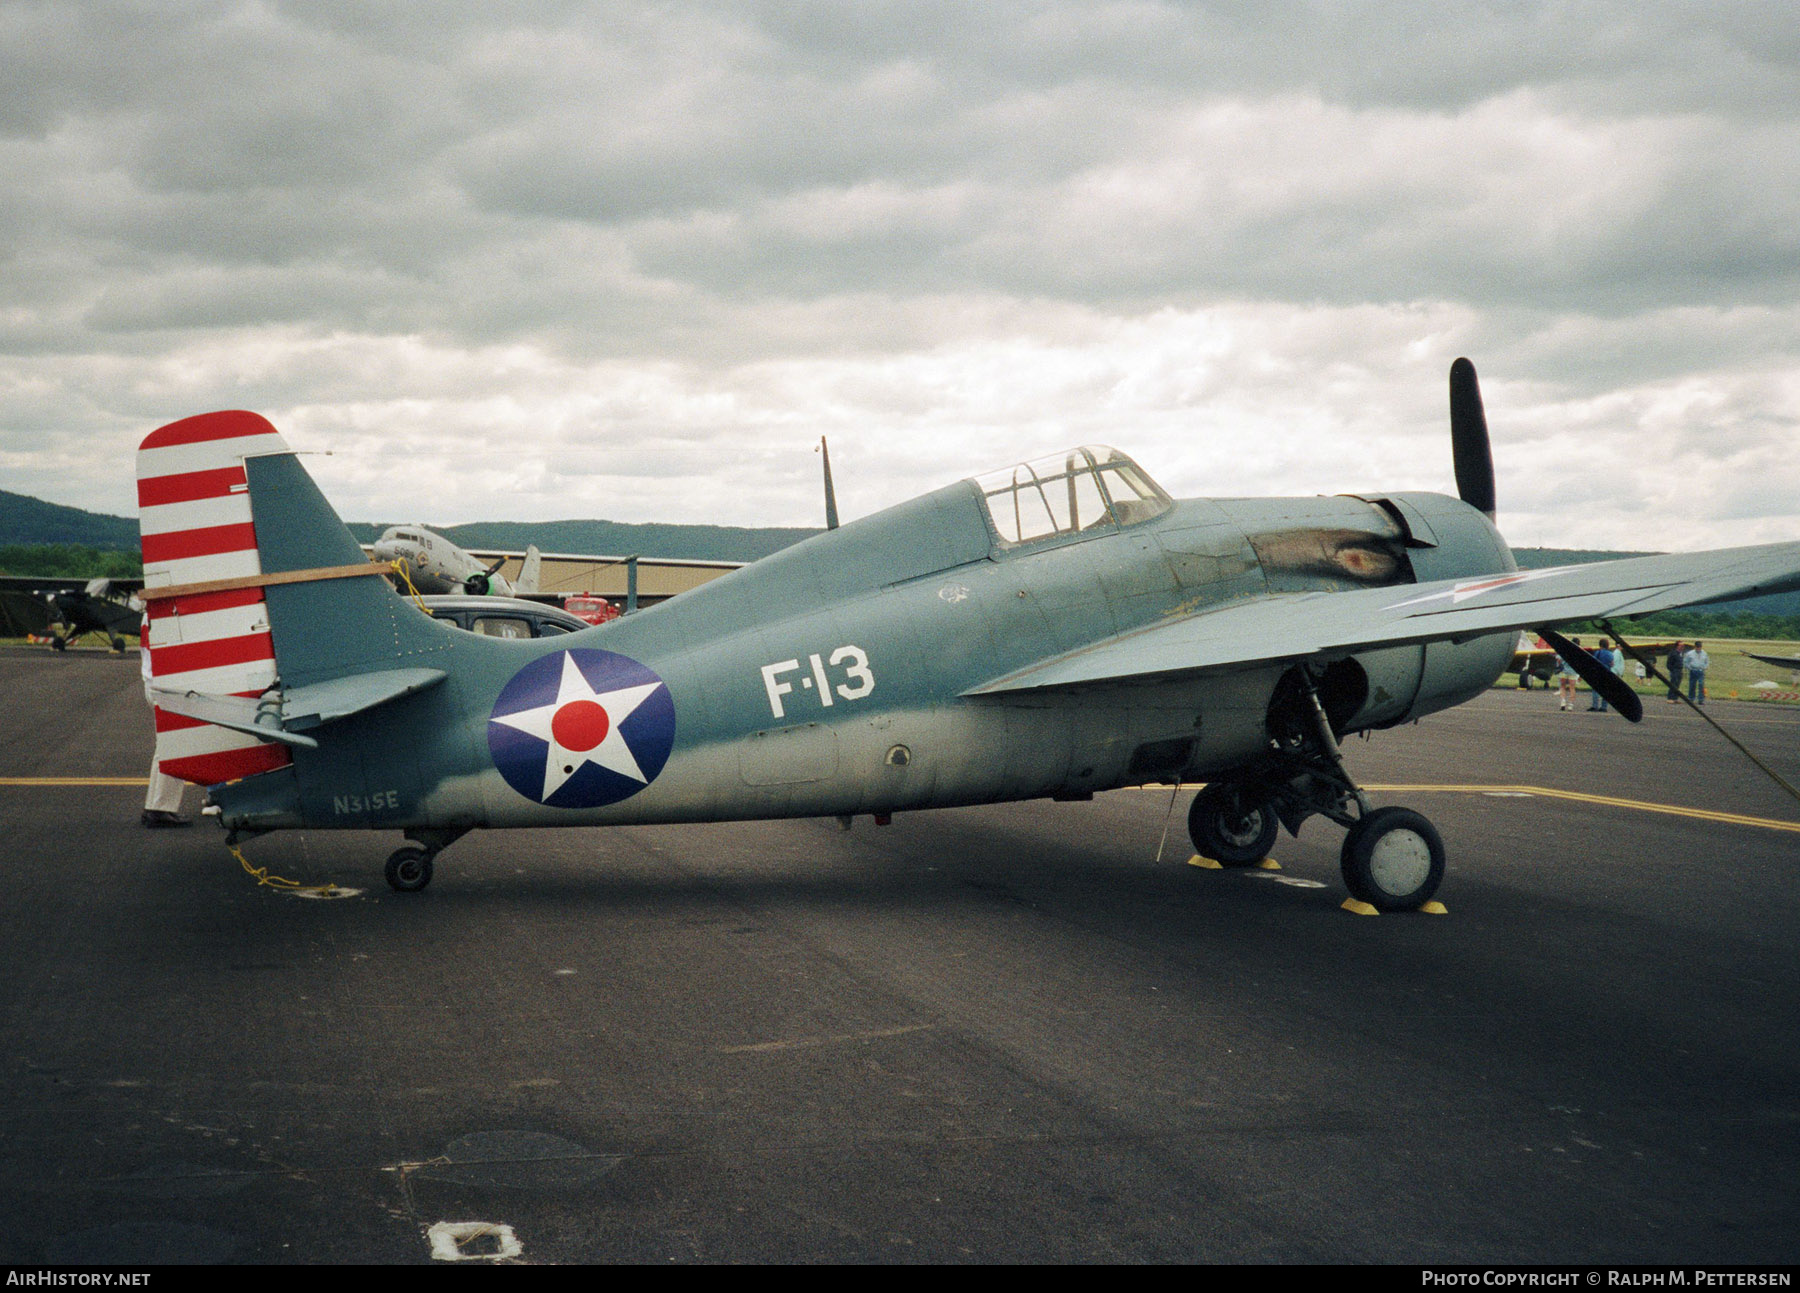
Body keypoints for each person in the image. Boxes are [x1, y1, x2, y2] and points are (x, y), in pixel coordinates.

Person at [139, 612, 189, 827]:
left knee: (166, 746)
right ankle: (159, 809)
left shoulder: (149, 613)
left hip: (153, 683)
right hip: (163, 685)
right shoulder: (162, 612)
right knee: (173, 746)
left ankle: (156, 806)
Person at [1588, 638, 1617, 712]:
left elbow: (1593, 661)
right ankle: (1604, 707)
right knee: (1605, 690)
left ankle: (1595, 706)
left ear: (1600, 645)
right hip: (1607, 672)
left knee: (1596, 690)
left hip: (1598, 672)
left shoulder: (1598, 652)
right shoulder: (1610, 653)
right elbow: (1612, 664)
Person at [1556, 641, 1581, 711]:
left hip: (1563, 671)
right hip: (1572, 672)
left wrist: (1559, 665)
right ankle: (1570, 704)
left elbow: (1558, 659)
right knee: (1572, 688)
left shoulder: (1565, 650)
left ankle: (1563, 701)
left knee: (1562, 687)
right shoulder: (1578, 653)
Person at [1683, 641, 1709, 705]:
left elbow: (1707, 661)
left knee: (1701, 684)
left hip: (1700, 671)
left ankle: (1701, 699)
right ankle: (1691, 698)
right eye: (1697, 647)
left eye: (1700, 647)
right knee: (1692, 685)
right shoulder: (1690, 653)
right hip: (1693, 670)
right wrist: (1689, 668)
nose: (1698, 648)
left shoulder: (1704, 653)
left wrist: (1704, 667)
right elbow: (1686, 662)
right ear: (1695, 647)